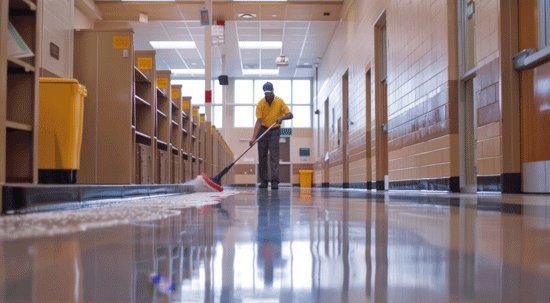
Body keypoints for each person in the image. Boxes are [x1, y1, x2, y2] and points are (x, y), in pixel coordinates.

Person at [250, 82, 293, 189]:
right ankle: (264, 181)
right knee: (262, 156)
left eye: (269, 92)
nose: (267, 95)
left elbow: (290, 115)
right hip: (263, 130)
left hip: (274, 130)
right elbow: (259, 121)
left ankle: (274, 181)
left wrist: (282, 118)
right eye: (266, 93)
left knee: (274, 156)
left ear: (273, 91)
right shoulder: (260, 104)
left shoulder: (279, 101)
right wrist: (253, 138)